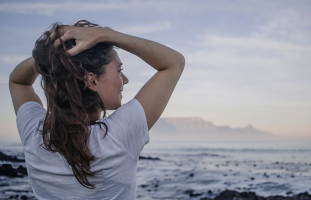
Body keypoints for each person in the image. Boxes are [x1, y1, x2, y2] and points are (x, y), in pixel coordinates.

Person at [9, 20, 185, 199]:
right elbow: (174, 62)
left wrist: (52, 57)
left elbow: (18, 81)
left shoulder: (34, 134)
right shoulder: (118, 137)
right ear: (92, 81)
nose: (125, 80)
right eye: (119, 70)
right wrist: (107, 34)